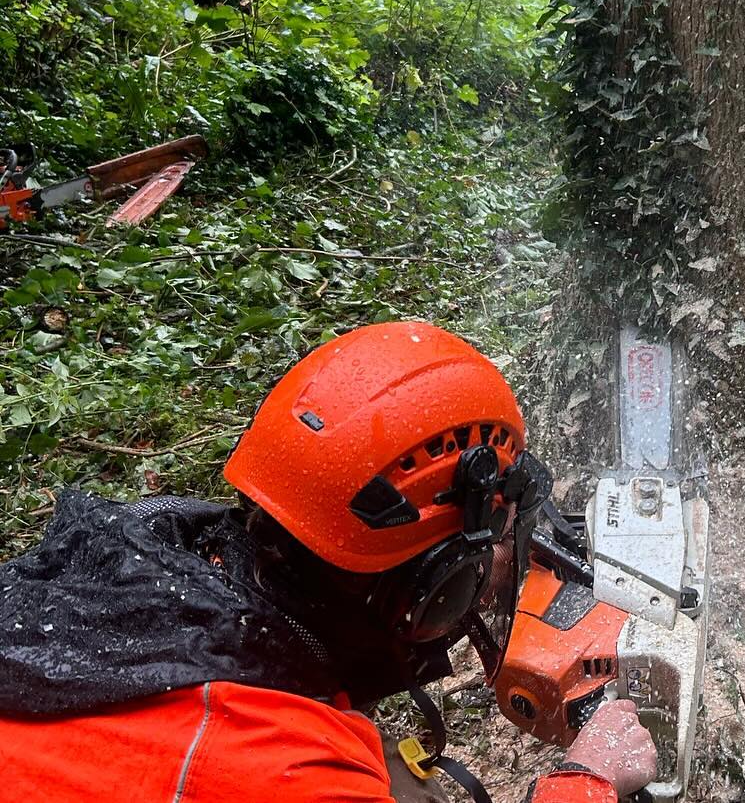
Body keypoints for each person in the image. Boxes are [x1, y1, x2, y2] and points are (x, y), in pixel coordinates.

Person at [0, 321, 658, 802]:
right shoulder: (291, 771)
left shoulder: (170, 561)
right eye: (485, 562)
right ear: (434, 591)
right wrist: (585, 780)